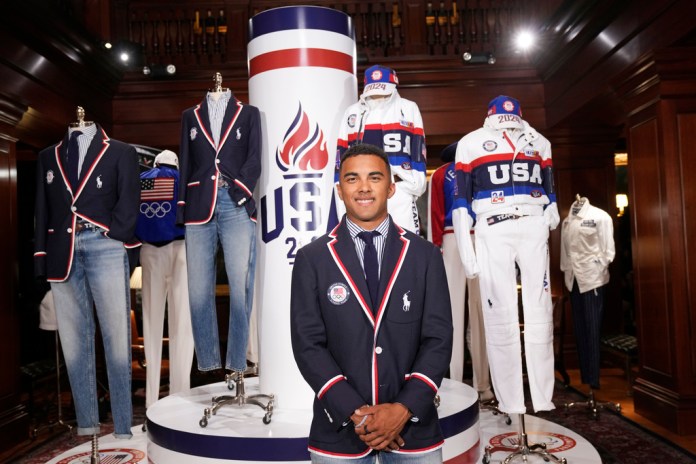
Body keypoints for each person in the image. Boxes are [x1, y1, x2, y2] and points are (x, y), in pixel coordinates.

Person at [290, 143, 453, 462]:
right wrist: (355, 411)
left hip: (413, 430)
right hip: (338, 430)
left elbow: (438, 338)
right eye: (352, 179)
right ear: (339, 189)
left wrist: (404, 408)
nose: (363, 187)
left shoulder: (426, 255)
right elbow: (308, 343)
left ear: (391, 187)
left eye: (374, 178)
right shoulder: (313, 258)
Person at [34, 114, 140, 438]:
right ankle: (87, 426)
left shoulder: (121, 151)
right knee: (74, 342)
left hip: (104, 244)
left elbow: (129, 198)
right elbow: (41, 211)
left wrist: (117, 236)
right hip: (61, 252)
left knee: (117, 338)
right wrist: (41, 258)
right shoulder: (47, 156)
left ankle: (123, 427)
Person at [452, 95, 560, 415]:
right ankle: (511, 401)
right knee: (500, 316)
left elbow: (550, 186)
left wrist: (551, 209)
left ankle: (542, 397)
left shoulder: (539, 142)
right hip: (492, 228)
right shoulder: (471, 144)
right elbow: (461, 203)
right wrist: (467, 252)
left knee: (540, 312)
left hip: (532, 226)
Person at [177, 73, 261, 377]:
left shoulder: (248, 113)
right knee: (198, 288)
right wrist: (181, 209)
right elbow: (185, 162)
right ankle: (209, 360)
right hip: (198, 205)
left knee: (241, 285)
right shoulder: (190, 116)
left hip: (235, 202)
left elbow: (255, 157)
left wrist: (241, 192)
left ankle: (238, 360)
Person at [428, 142, 494, 402]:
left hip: (452, 238)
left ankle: (455, 383)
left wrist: (435, 249)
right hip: (479, 237)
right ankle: (482, 385)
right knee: (479, 313)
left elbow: (435, 211)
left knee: (453, 313)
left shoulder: (442, 173)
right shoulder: (479, 169)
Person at [334, 65, 427, 234]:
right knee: (362, 248)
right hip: (363, 194)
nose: (378, 96)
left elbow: (418, 150)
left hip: (399, 190)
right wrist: (342, 201)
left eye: (383, 91)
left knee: (407, 249)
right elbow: (341, 159)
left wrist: (413, 186)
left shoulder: (408, 108)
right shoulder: (352, 112)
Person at [135, 149, 194, 407]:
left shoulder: (143, 179)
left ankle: (150, 399)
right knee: (183, 324)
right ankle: (181, 396)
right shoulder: (183, 180)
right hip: (182, 248)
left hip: (149, 250)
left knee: (151, 322)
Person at [560, 195, 615, 389]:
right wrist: (566, 272)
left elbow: (609, 251)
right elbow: (565, 253)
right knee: (580, 331)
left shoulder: (601, 217)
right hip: (574, 281)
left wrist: (597, 267)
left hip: (593, 281)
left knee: (593, 330)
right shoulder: (568, 221)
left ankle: (594, 380)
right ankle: (586, 377)